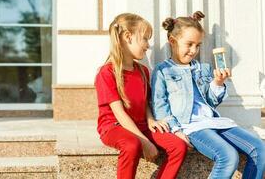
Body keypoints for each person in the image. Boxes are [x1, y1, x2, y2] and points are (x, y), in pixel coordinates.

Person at [151, 11, 265, 179]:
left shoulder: (202, 68)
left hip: (214, 121)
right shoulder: (162, 70)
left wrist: (217, 83)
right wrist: (175, 131)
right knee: (228, 156)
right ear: (172, 41)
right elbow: (160, 106)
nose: (193, 50)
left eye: (197, 45)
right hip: (191, 126)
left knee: (260, 149)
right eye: (189, 44)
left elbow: (210, 101)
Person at [95, 13, 188, 179]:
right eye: (145, 39)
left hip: (142, 124)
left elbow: (145, 102)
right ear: (127, 37)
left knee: (178, 146)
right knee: (132, 145)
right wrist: (144, 142)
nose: (148, 45)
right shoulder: (106, 73)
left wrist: (151, 119)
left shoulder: (143, 71)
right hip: (114, 126)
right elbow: (119, 114)